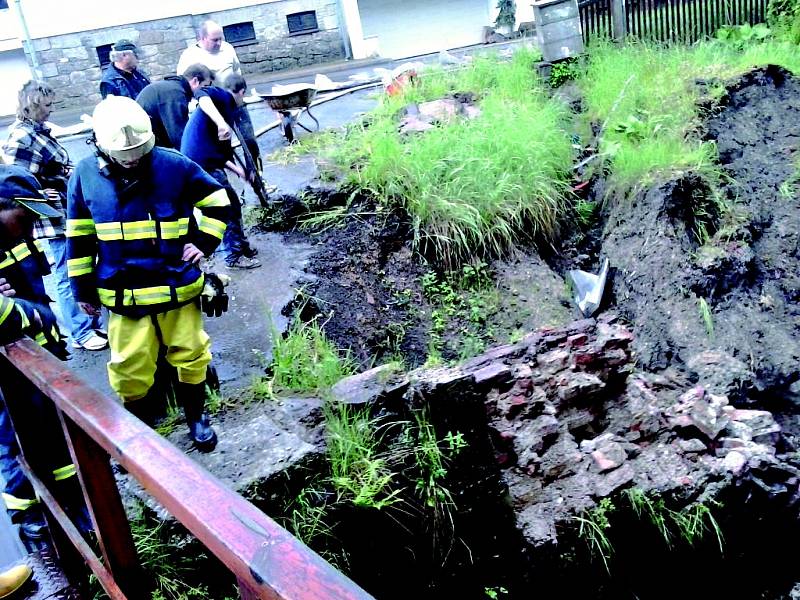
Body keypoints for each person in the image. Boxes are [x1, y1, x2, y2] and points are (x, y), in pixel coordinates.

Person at [67, 96, 230, 452]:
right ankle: (139, 430)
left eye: (140, 154)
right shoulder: (83, 175)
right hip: (122, 293)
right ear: (102, 146)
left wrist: (203, 242)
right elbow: (78, 235)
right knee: (129, 366)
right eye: (125, 157)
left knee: (191, 353)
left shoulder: (175, 166)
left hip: (177, 286)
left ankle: (196, 417)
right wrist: (82, 291)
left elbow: (219, 202)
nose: (133, 161)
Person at [0, 164, 79, 549]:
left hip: (38, 354)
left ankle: (74, 506)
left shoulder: (16, 233)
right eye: (26, 216)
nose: (33, 225)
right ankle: (30, 519)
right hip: (6, 367)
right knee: (12, 438)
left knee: (53, 434)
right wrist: (34, 317)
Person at [2, 80, 107, 351]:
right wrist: (39, 194)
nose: (51, 110)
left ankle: (89, 325)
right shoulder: (21, 136)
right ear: (33, 104)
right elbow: (13, 183)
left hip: (63, 208)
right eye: (47, 105)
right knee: (66, 271)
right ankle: (81, 333)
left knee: (78, 265)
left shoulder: (38, 131)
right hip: (51, 216)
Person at [181, 83, 261, 270]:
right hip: (199, 164)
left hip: (206, 162)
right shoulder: (221, 96)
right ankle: (233, 256)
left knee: (232, 203)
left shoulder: (227, 110)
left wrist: (241, 173)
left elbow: (223, 157)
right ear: (241, 92)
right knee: (226, 206)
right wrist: (220, 122)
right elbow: (201, 93)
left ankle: (240, 246)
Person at [136, 64, 214, 150]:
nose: (206, 92)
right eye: (205, 86)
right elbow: (179, 137)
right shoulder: (175, 94)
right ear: (195, 81)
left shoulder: (173, 88)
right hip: (146, 145)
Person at [176, 20, 241, 84]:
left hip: (229, 93)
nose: (219, 43)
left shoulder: (227, 48)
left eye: (220, 38)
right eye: (215, 40)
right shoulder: (189, 55)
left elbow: (236, 70)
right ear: (203, 38)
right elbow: (183, 81)